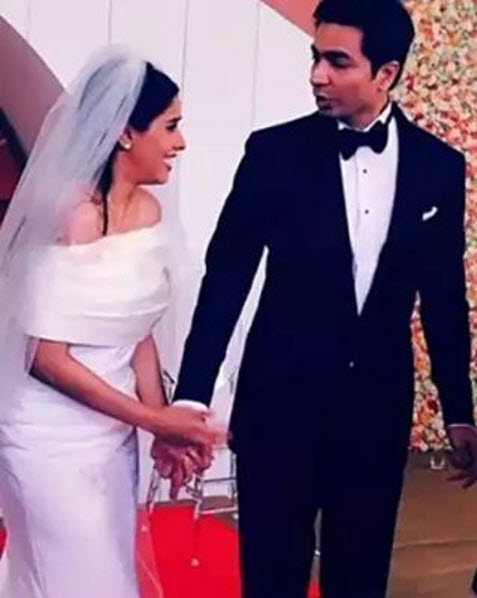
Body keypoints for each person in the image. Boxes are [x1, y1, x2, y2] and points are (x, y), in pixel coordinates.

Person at [154, 1, 477, 596]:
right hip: (277, 410)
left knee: (361, 579)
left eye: (337, 61)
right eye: (315, 57)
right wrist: (191, 397)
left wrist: (459, 411)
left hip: (375, 416)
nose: (316, 75)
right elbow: (226, 278)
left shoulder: (439, 167)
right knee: (271, 579)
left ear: (385, 73)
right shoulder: (273, 153)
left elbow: (443, 298)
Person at [0, 48, 221, 598]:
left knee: (108, 571)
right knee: (73, 577)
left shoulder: (150, 214)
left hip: (114, 439)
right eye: (170, 126)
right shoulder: (70, 216)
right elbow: (45, 358)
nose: (180, 142)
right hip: (49, 438)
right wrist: (153, 418)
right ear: (126, 133)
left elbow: (136, 332)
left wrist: (163, 424)